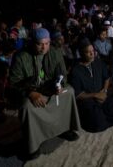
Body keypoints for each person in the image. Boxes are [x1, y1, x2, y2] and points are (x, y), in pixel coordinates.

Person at [9, 28, 81, 159]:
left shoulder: (55, 52)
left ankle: (64, 129)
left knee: (69, 92)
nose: (44, 47)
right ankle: (33, 145)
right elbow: (14, 82)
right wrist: (30, 92)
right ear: (32, 43)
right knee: (27, 107)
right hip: (32, 91)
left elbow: (62, 74)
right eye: (40, 44)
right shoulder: (21, 57)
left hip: (50, 89)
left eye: (47, 43)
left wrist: (59, 84)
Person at [70, 40, 113, 132]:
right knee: (99, 124)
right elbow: (78, 94)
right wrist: (95, 95)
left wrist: (104, 91)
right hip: (88, 100)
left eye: (93, 51)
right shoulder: (76, 70)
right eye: (88, 52)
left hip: (102, 94)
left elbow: (107, 78)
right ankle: (100, 116)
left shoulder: (98, 62)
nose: (92, 54)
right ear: (81, 54)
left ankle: (102, 113)